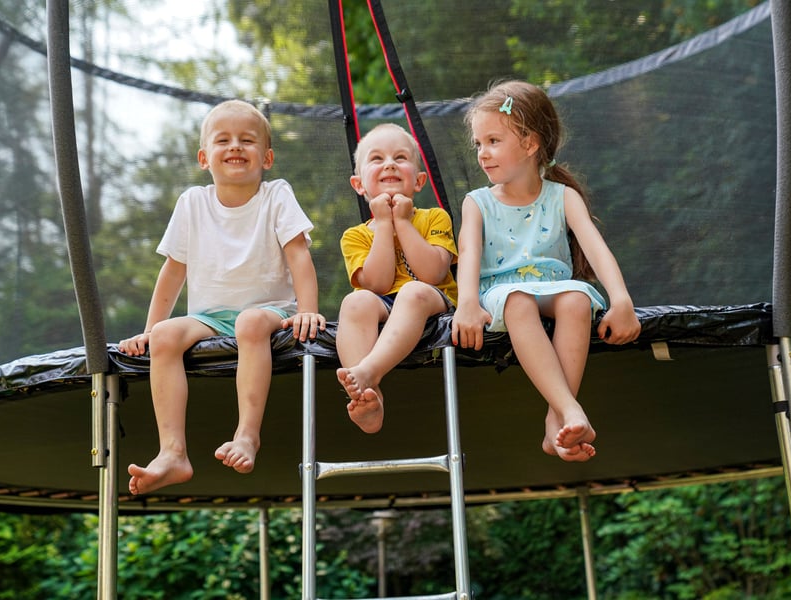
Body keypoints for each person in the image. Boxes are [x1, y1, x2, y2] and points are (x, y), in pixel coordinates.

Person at [119, 99, 325, 495]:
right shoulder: (192, 203)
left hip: (270, 311)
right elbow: (173, 272)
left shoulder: (276, 195)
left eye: (247, 140)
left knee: (249, 322)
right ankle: (173, 453)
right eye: (223, 140)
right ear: (203, 157)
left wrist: (309, 311)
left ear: (266, 158)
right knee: (164, 337)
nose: (235, 146)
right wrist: (149, 330)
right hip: (209, 317)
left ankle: (247, 434)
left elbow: (299, 255)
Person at [451, 80, 641, 462]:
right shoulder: (478, 203)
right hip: (500, 292)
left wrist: (622, 301)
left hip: (553, 287)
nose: (482, 154)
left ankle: (555, 424)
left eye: (493, 141)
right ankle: (569, 411)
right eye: (478, 144)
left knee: (576, 300)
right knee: (518, 301)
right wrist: (467, 304)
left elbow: (596, 249)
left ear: (530, 143)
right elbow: (469, 253)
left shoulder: (562, 197)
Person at [336, 123, 458, 434]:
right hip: (385, 302)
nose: (389, 163)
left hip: (433, 301)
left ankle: (368, 372)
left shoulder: (434, 217)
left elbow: (433, 274)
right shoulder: (355, 236)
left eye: (400, 157)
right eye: (376, 159)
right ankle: (368, 399)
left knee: (412, 292)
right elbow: (376, 284)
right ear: (359, 184)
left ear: (418, 181)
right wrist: (382, 224)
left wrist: (402, 221)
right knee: (355, 302)